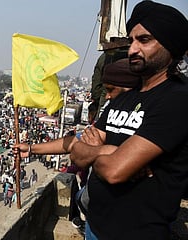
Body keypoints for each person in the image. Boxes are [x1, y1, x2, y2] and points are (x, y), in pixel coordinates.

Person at [69, 1, 188, 239]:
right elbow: (76, 154)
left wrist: (98, 153)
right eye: (132, 40)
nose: (133, 49)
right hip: (96, 227)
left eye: (144, 40)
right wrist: (112, 149)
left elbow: (114, 171)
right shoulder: (124, 99)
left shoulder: (177, 99)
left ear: (170, 46)